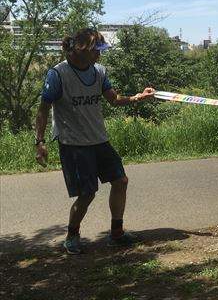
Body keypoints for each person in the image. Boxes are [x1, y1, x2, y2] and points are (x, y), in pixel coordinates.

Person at [34, 28, 155, 254]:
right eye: (97, 50)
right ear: (82, 50)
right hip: (74, 144)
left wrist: (139, 97)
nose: (100, 55)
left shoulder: (99, 71)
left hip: (99, 140)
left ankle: (116, 233)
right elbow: (43, 110)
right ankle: (72, 236)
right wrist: (39, 142)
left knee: (121, 181)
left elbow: (114, 99)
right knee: (87, 193)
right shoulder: (58, 74)